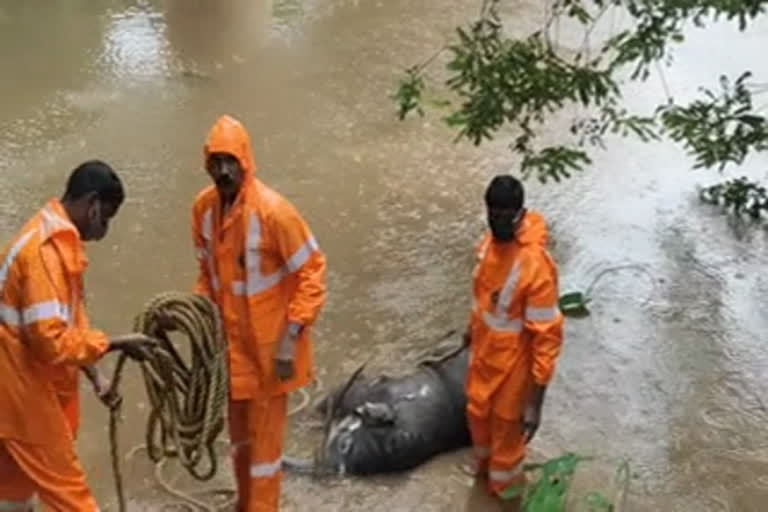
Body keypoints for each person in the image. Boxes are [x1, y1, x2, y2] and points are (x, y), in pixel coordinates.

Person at [188, 115, 327, 511]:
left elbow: (313, 270)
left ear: (247, 161)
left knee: (265, 456)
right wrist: (194, 318)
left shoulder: (274, 213)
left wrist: (291, 337)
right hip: (229, 356)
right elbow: (206, 276)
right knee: (241, 445)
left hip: (269, 357)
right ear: (207, 165)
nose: (224, 170)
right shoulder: (203, 211)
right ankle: (245, 504)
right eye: (216, 162)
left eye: (231, 160)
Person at [0, 160, 154, 511]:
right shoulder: (43, 254)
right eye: (107, 218)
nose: (105, 229)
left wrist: (97, 377)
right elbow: (50, 340)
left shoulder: (52, 241)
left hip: (11, 394)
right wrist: (113, 344)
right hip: (22, 397)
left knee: (12, 491)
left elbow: (69, 322)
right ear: (93, 204)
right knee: (73, 498)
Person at [463, 174, 565, 503]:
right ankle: (479, 490)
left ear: (520, 214)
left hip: (512, 374)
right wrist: (470, 332)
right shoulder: (487, 247)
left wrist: (535, 403)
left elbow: (547, 338)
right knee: (478, 428)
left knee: (505, 457)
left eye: (505, 215)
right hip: (483, 361)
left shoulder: (534, 266)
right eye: (493, 213)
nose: (498, 221)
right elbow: (483, 302)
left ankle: (507, 498)